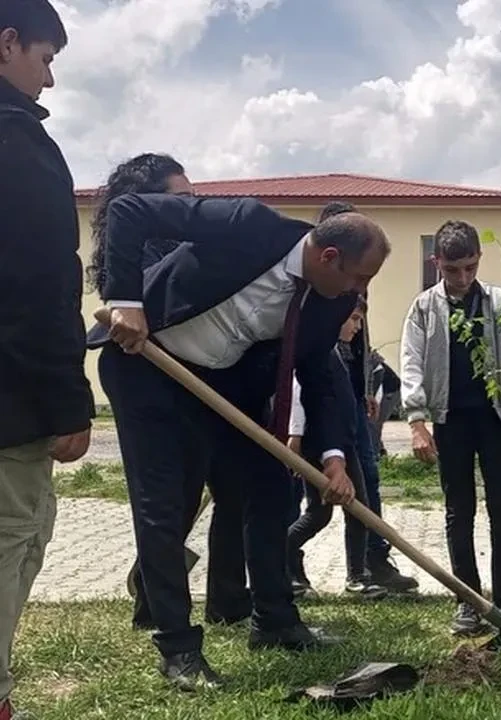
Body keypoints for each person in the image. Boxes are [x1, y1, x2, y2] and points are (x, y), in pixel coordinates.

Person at [93, 192, 389, 691]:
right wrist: (127, 301)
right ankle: (178, 649)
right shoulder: (246, 224)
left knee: (271, 486)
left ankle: (274, 620)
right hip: (148, 364)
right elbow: (129, 212)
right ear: (328, 257)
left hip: (224, 387)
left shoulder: (325, 301)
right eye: (358, 278)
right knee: (164, 503)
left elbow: (319, 377)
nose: (359, 293)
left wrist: (333, 458)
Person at [84, 153, 256, 632]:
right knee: (168, 499)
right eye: (182, 200)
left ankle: (227, 600)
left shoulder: (186, 242)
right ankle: (163, 617)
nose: (192, 209)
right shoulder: (136, 249)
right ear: (147, 203)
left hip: (196, 373)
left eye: (194, 199)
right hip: (143, 371)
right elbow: (156, 296)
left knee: (228, 485)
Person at [0, 3, 92, 716]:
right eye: (46, 58)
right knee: (14, 538)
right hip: (11, 406)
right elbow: (42, 283)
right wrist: (69, 401)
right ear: (8, 45)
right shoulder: (17, 147)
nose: (50, 80)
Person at [400, 220, 501, 634]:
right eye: (453, 270)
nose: (462, 278)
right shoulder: (424, 307)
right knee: (459, 510)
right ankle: (469, 600)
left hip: (497, 418)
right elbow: (411, 363)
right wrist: (417, 421)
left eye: (470, 268)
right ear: (436, 262)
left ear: (480, 260)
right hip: (451, 420)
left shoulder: (499, 301)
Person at [308, 201, 417, 594]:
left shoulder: (353, 286)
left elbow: (359, 344)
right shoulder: (317, 288)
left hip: (352, 398)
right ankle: (290, 565)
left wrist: (367, 390)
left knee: (365, 480)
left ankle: (371, 561)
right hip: (313, 409)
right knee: (315, 501)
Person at [286, 302, 388, 601]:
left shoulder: (338, 352)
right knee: (327, 512)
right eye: (354, 319)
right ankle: (281, 555)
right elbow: (299, 393)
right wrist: (295, 435)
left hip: (342, 445)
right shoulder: (317, 351)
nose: (357, 327)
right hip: (319, 447)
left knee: (353, 510)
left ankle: (357, 575)